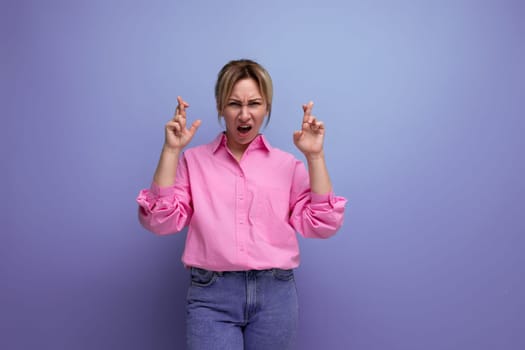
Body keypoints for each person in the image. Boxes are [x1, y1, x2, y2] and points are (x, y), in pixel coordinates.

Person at [136, 59, 347, 350]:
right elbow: (159, 222)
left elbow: (323, 226)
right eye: (234, 104)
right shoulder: (194, 161)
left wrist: (316, 157)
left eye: (255, 104)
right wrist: (171, 151)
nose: (244, 114)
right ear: (221, 106)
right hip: (211, 296)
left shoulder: (287, 165)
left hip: (275, 295)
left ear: (267, 107)